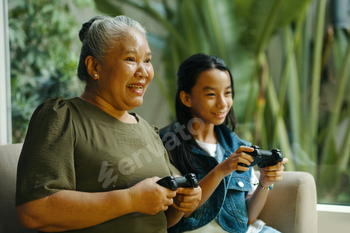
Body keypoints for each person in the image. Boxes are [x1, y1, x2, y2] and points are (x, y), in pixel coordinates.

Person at [15, 15, 201, 233]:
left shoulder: (147, 130)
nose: (143, 72)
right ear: (94, 66)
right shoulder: (62, 117)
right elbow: (34, 211)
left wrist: (181, 203)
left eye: (147, 60)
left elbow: (158, 217)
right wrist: (130, 200)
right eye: (131, 59)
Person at [159, 53, 288, 233]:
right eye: (211, 94)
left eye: (227, 93)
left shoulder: (238, 146)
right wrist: (221, 170)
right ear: (186, 98)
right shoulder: (166, 147)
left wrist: (264, 182)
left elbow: (245, 219)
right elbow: (178, 214)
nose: (223, 103)